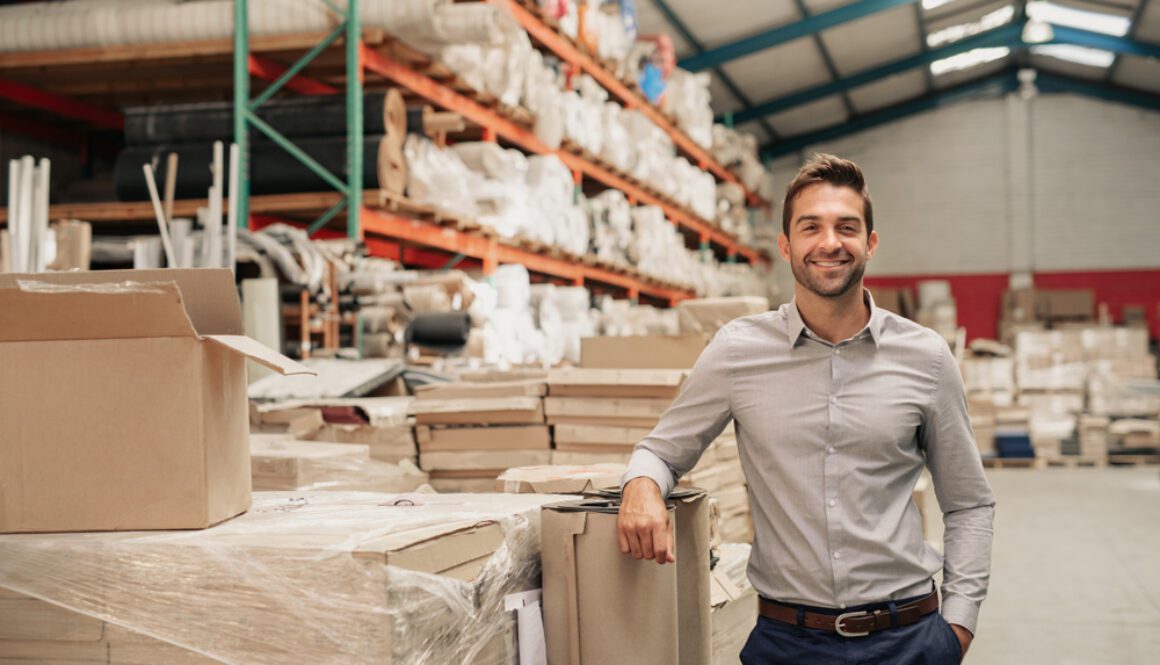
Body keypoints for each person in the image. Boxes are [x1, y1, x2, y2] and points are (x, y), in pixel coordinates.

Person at [616, 153, 995, 664]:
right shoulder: (737, 352)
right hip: (787, 642)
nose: (829, 242)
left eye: (847, 227)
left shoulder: (925, 358)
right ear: (786, 246)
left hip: (908, 638)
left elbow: (968, 502)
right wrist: (641, 487)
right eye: (811, 227)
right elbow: (661, 451)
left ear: (870, 243)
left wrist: (957, 629)